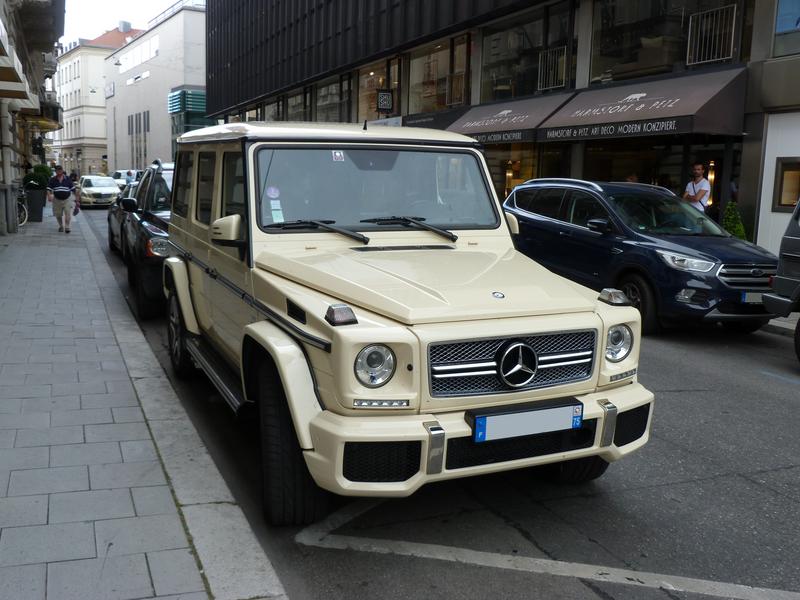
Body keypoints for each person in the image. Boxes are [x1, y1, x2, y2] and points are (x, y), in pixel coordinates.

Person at [47, 165, 76, 233]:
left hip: (67, 199)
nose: (59, 171)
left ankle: (67, 227)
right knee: (58, 214)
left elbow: (73, 189)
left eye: (60, 170)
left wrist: (77, 198)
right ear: (56, 171)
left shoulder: (68, 179)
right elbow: (48, 189)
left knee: (67, 213)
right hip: (57, 200)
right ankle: (61, 226)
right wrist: (49, 196)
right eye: (57, 170)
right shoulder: (52, 179)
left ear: (62, 170)